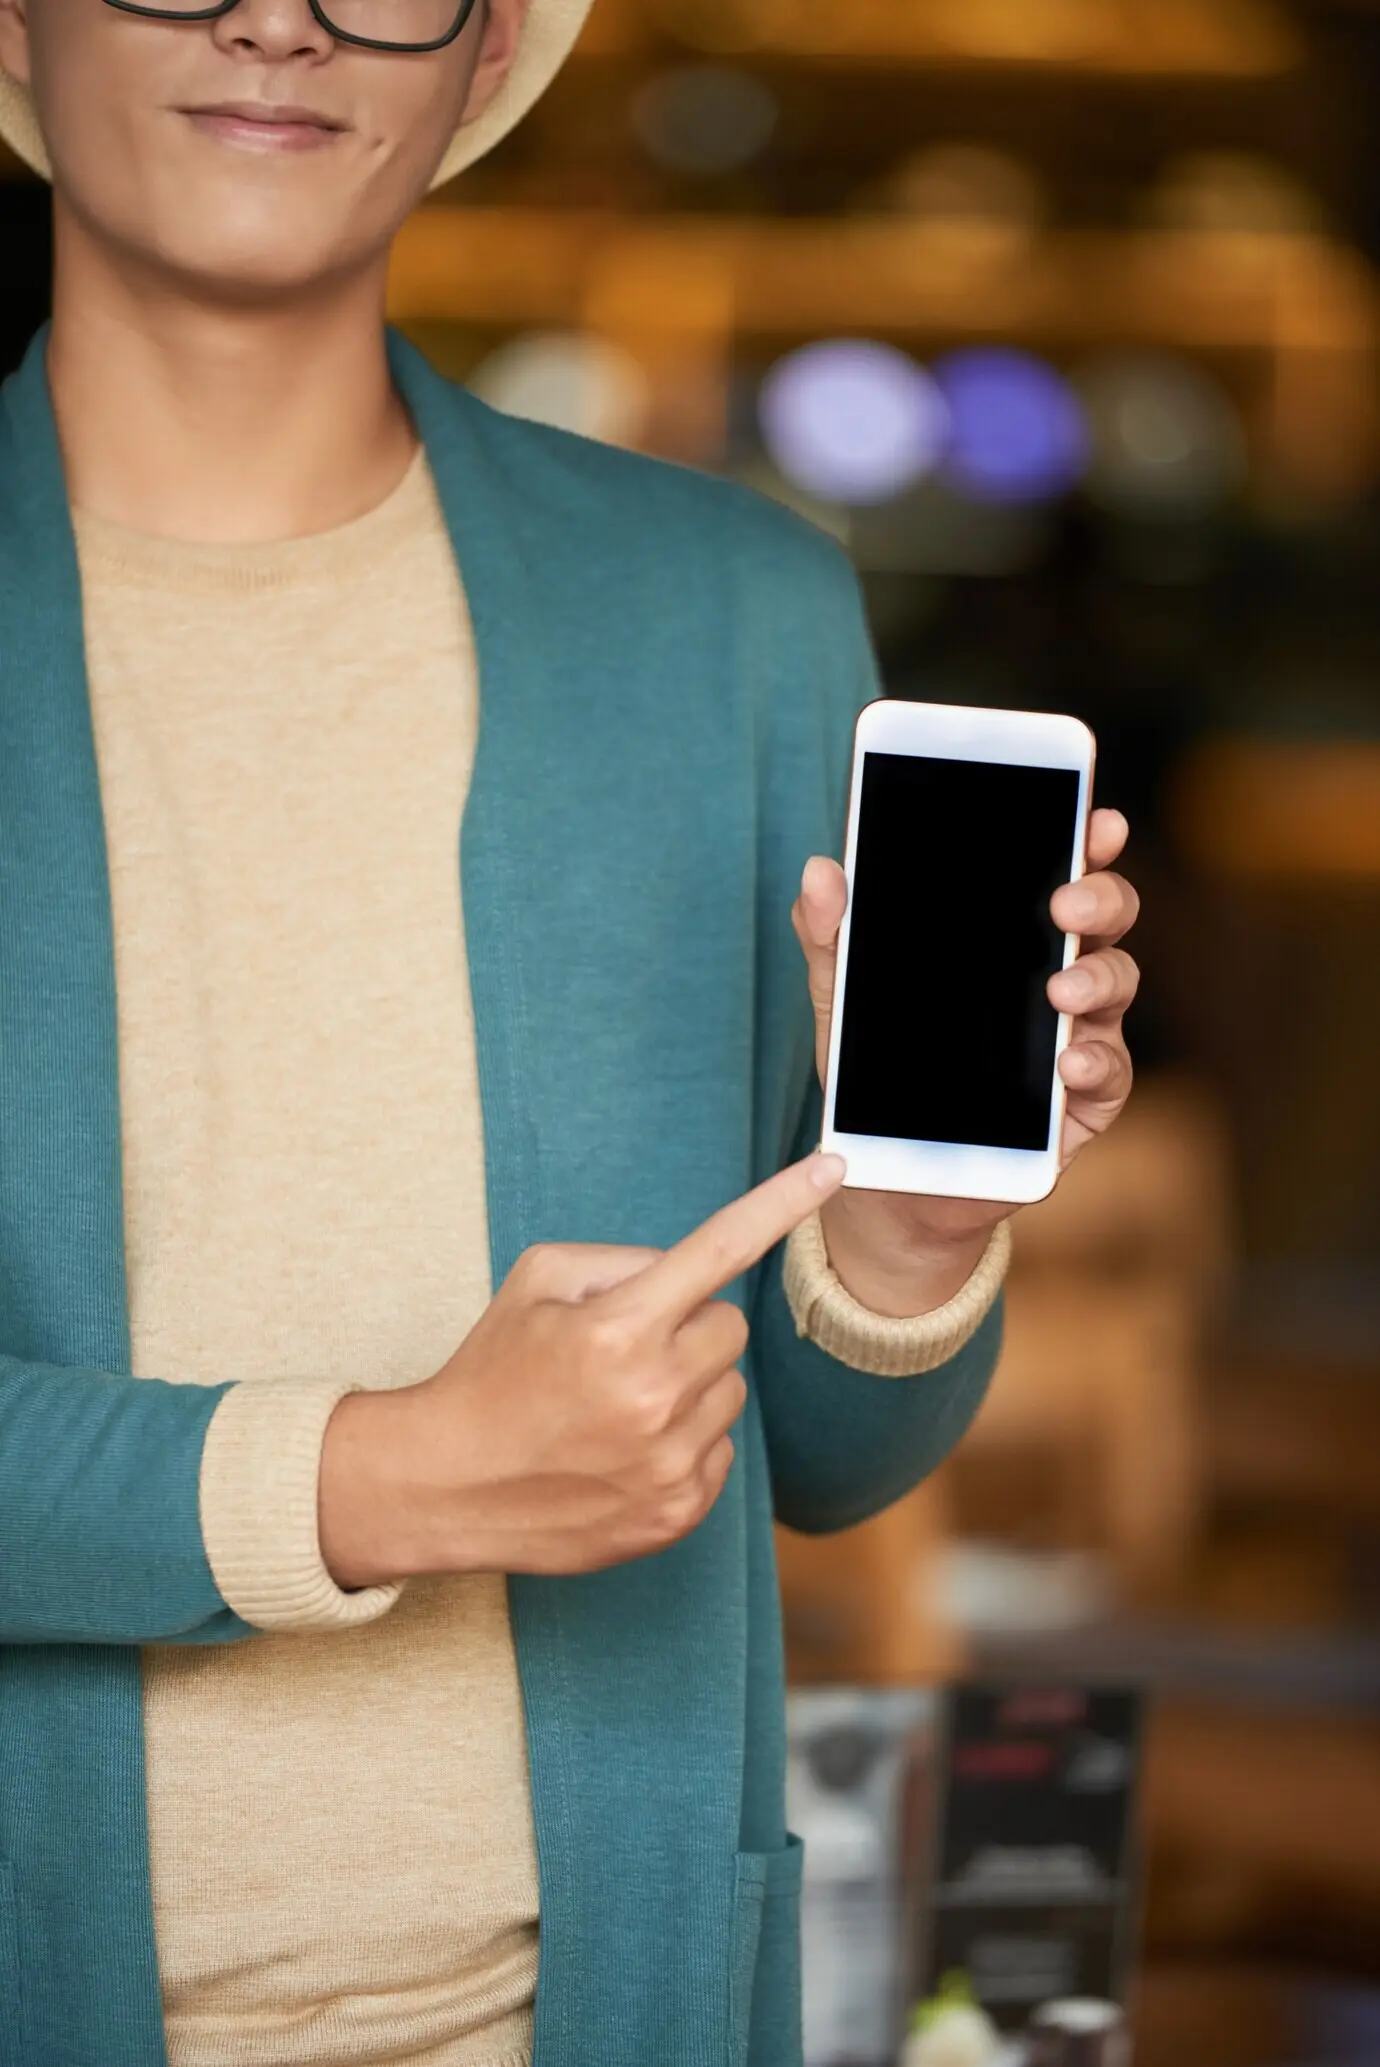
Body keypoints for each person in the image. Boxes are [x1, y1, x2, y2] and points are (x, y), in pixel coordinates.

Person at [0, 0, 1141, 2060]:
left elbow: (824, 1463)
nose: (277, 17)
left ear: (488, 45)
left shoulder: (731, 612)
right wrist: (378, 1475)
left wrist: (902, 1244)